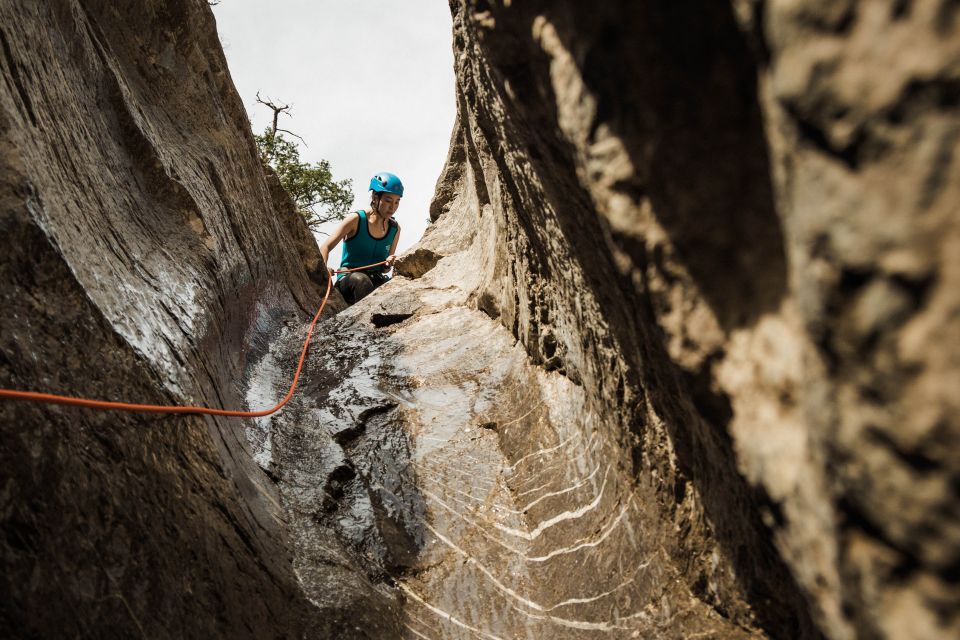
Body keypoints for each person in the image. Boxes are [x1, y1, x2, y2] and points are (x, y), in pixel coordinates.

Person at [320, 172, 403, 305]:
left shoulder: (394, 229)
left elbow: (386, 269)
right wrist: (324, 269)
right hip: (350, 280)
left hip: (375, 280)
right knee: (361, 280)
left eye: (397, 202)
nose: (392, 207)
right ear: (375, 197)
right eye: (388, 200)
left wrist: (388, 263)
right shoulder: (356, 220)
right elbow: (325, 247)